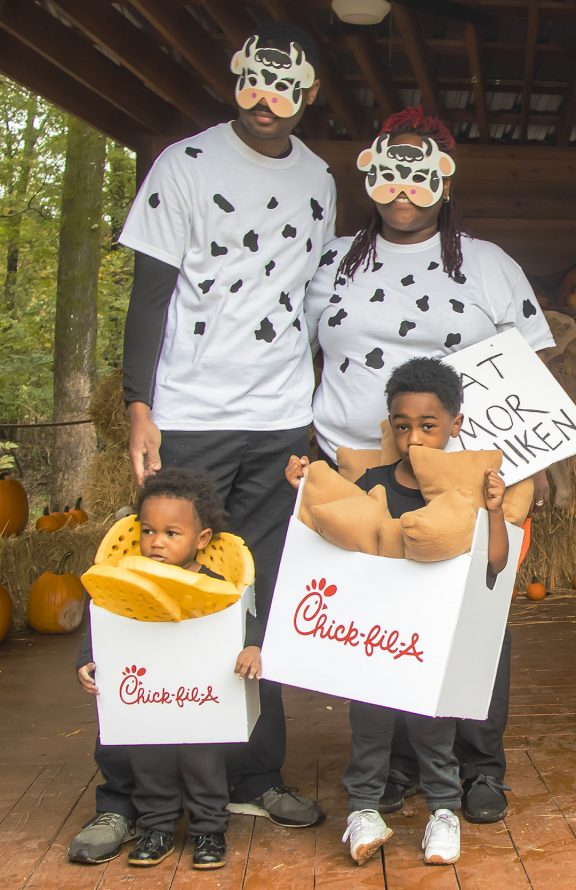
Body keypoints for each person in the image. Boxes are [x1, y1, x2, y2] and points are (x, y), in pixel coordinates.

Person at [68, 21, 335, 865]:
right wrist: (142, 405)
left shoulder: (323, 179)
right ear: (234, 79)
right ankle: (120, 793)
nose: (267, 99)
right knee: (151, 581)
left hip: (282, 417)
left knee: (257, 593)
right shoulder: (182, 164)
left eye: (286, 85)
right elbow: (151, 291)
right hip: (191, 409)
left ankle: (254, 778)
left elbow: (315, 299)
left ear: (310, 94)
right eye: (255, 80)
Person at [303, 106, 555, 824]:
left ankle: (479, 765)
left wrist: (529, 471)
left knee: (470, 616)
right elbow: (302, 350)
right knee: (379, 618)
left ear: (444, 180)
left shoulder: (488, 265)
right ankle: (398, 765)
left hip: (463, 473)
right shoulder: (333, 262)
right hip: (359, 468)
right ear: (370, 180)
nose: (403, 192)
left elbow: (530, 368)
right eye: (388, 177)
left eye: (419, 177)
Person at [286, 357, 509, 866]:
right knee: (368, 724)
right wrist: (298, 489)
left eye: (429, 426)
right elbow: (333, 540)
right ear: (390, 425)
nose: (415, 438)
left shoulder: (470, 487)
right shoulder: (373, 480)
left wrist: (493, 509)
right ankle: (362, 811)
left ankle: (443, 812)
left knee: (435, 728)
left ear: (455, 425)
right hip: (374, 639)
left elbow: (494, 563)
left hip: (432, 639)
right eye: (403, 425)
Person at [72, 468, 261, 870]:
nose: (156, 543)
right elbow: (104, 626)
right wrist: (87, 661)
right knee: (149, 759)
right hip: (148, 700)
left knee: (203, 761)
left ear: (202, 539)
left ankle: (209, 828)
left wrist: (253, 647)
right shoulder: (125, 585)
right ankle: (155, 826)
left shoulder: (217, 586)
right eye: (148, 531)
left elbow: (246, 620)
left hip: (201, 702)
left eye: (171, 534)